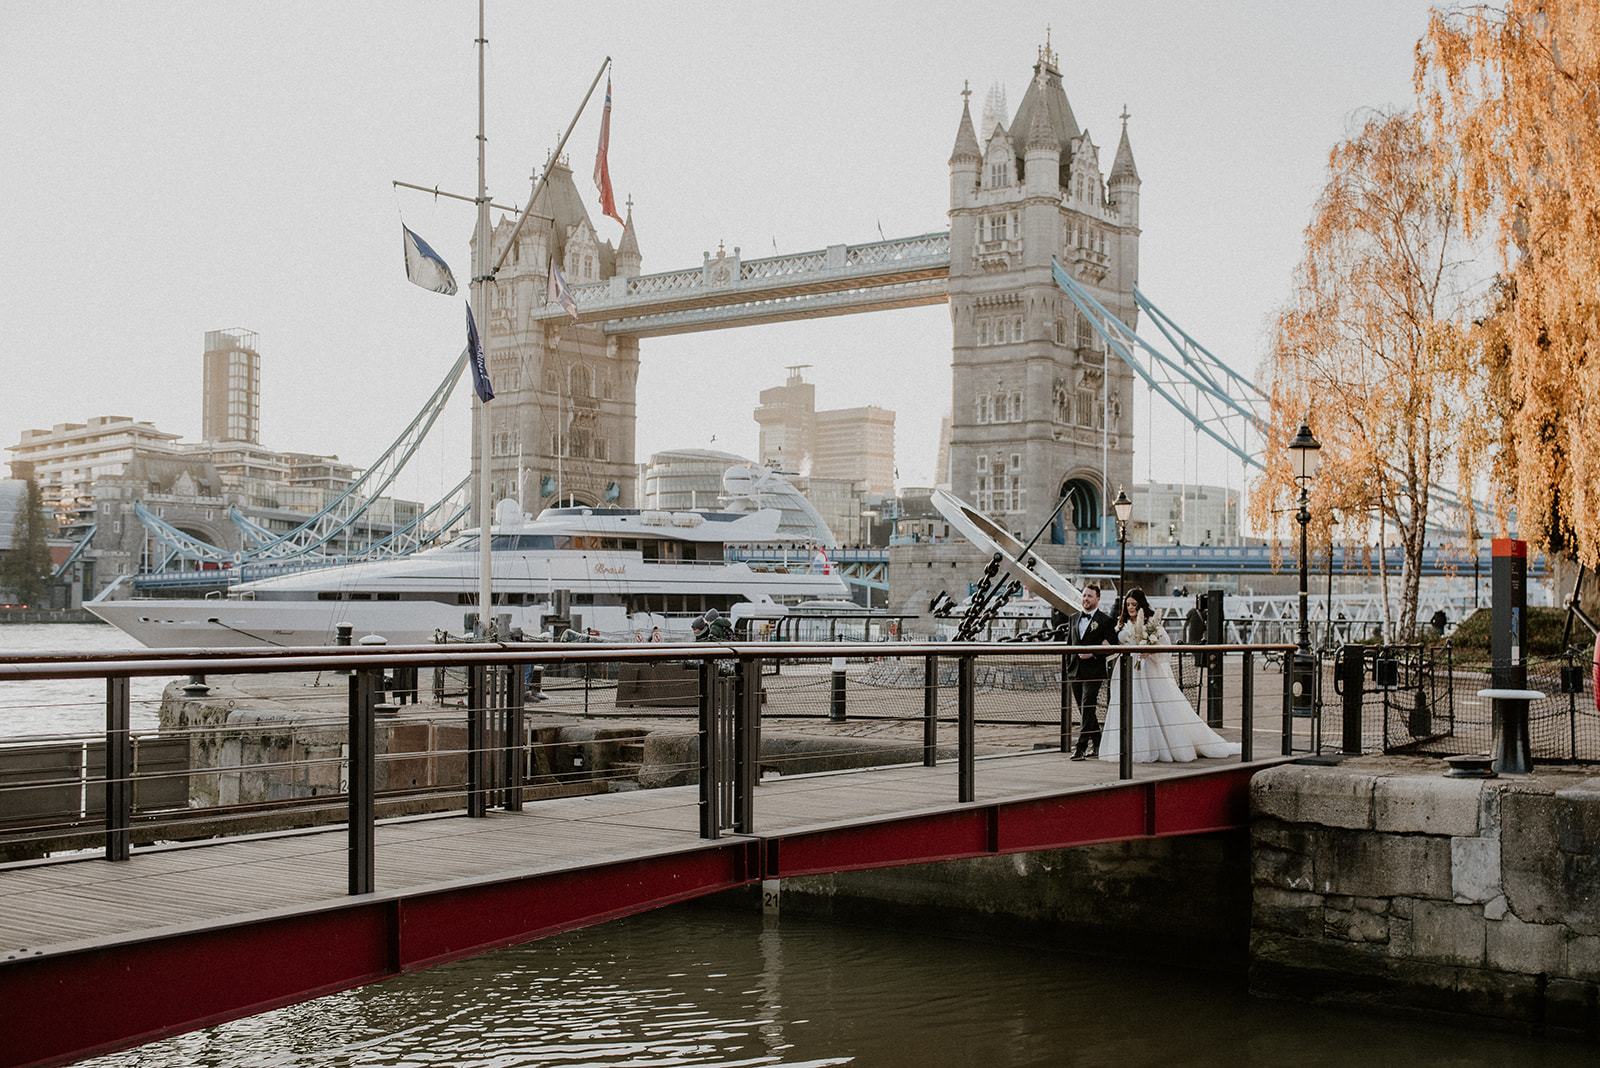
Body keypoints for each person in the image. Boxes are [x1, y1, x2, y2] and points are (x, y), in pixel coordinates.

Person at [1100, 587, 1241, 763]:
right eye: (1128, 605)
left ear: (1141, 604)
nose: (1130, 608)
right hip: (1127, 669)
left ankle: (1156, 745)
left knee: (1153, 706)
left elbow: (1165, 645)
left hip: (1147, 670)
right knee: (1129, 705)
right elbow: (1117, 643)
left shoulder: (1151, 622)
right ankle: (1129, 746)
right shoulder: (1122, 623)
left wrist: (1149, 652)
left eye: (1134, 604)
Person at [1065, 582, 1120, 760]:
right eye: (1084, 595)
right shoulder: (1073, 618)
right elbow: (1069, 645)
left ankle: (1080, 747)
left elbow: (1112, 647)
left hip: (1094, 671)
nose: (1085, 599)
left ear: (1097, 599)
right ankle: (1098, 741)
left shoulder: (1105, 621)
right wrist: (1069, 667)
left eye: (1089, 596)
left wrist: (1093, 653)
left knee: (1088, 705)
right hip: (1075, 671)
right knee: (1084, 709)